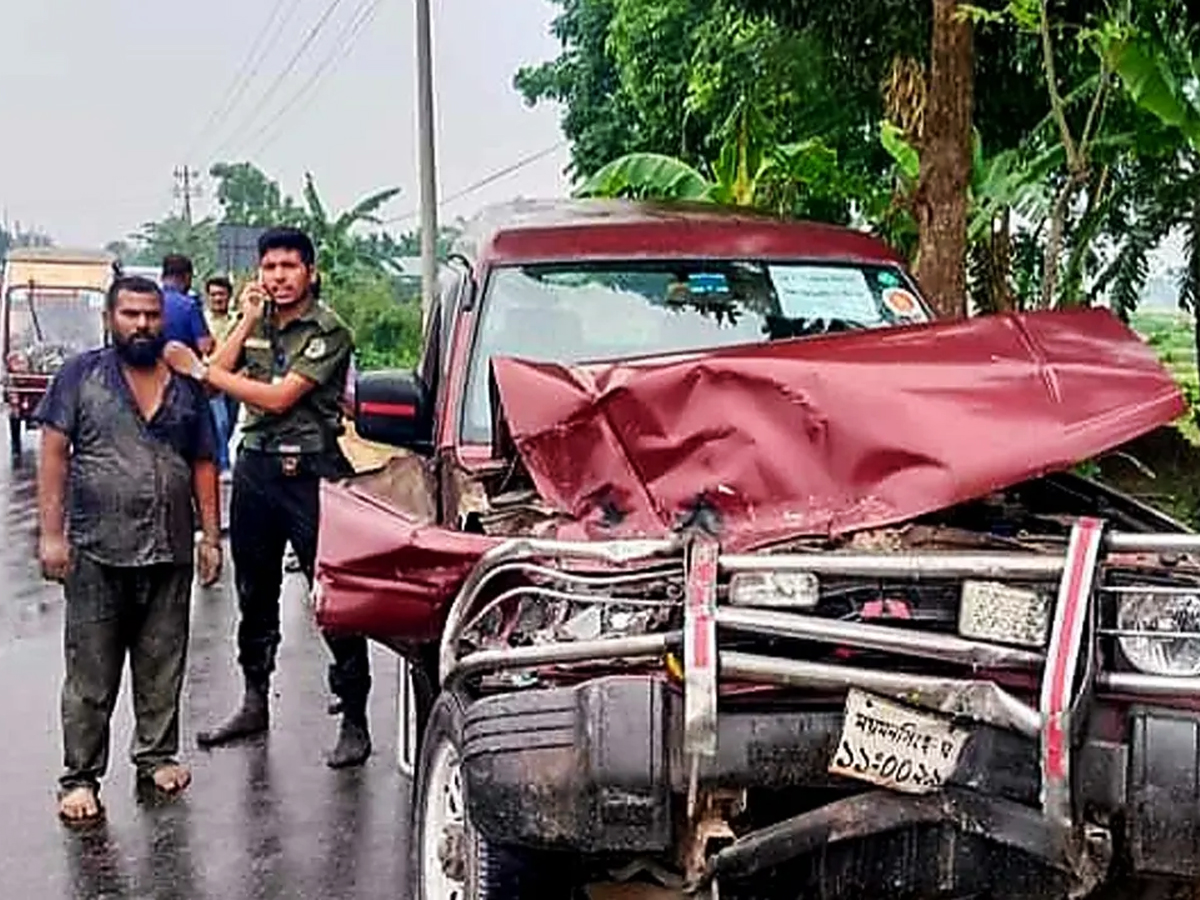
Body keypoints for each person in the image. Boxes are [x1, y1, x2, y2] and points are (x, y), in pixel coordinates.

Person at [163, 227, 372, 769]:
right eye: (270, 267)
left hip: (311, 469)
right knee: (255, 591)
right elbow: (214, 387)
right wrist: (247, 322)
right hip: (256, 467)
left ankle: (355, 716)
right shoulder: (255, 322)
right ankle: (255, 700)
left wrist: (205, 369)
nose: (279, 277)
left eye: (289, 266)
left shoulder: (329, 330)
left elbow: (278, 398)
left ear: (311, 272)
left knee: (333, 595)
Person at [35, 275, 222, 823]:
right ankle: (80, 777)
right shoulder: (80, 376)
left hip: (169, 548)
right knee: (91, 672)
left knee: (163, 662)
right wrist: (51, 534)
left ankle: (157, 756)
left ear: (163, 318)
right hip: (96, 548)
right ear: (110, 319)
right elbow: (53, 453)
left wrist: (210, 537)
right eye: (130, 315)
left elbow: (204, 462)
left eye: (151, 315)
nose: (142, 324)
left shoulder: (185, 385)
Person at [203, 276, 238, 474]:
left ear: (229, 296)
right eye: (213, 294)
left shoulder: (238, 320)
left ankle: (219, 456)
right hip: (211, 380)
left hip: (234, 379)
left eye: (221, 294)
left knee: (230, 422)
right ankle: (222, 465)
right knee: (220, 422)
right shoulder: (202, 320)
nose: (217, 298)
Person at [161, 255, 214, 356]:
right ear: (187, 277)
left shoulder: (150, 302)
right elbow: (205, 346)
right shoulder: (190, 305)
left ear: (163, 276)